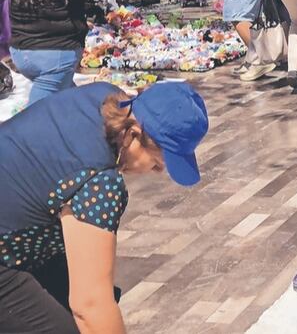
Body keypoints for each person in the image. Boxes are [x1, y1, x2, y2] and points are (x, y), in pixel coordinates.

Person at [0, 81, 209, 333]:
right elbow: (89, 305)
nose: (159, 170)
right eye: (156, 161)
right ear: (132, 135)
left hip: (18, 227)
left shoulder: (105, 97)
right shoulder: (100, 184)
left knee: (100, 295)